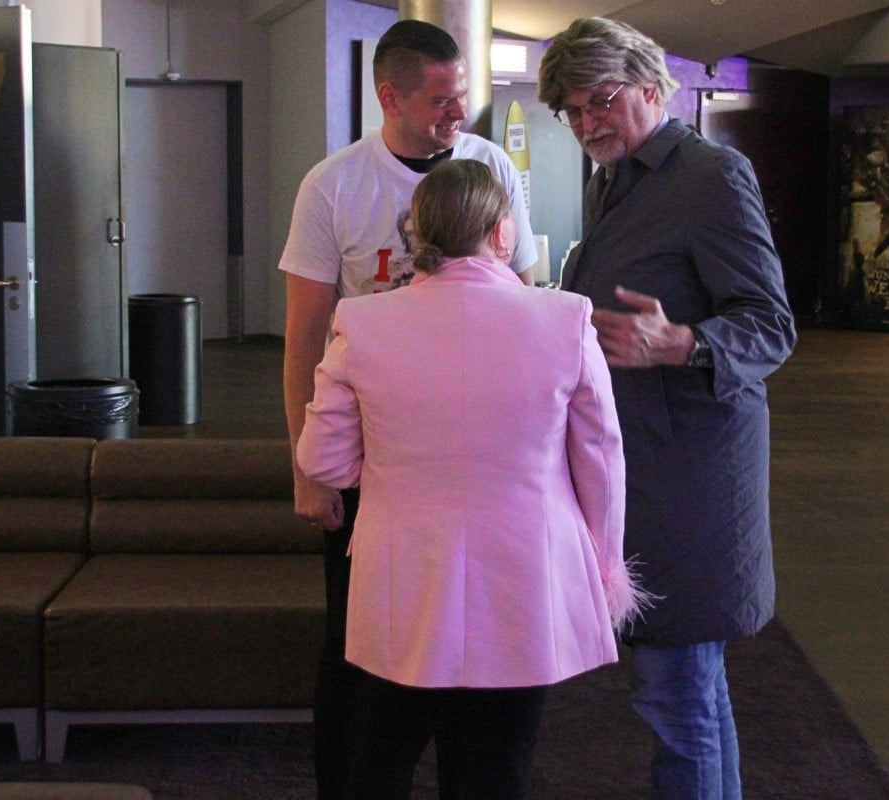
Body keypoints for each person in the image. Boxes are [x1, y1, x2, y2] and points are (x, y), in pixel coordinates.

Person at [296, 158, 645, 800]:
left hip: (400, 582)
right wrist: (603, 563)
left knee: (379, 761)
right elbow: (601, 458)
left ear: (417, 234)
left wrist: (378, 466)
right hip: (523, 581)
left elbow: (322, 459)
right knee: (495, 771)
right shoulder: (566, 320)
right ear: (503, 233)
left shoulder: (362, 322)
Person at [538, 17, 797, 800]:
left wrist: (681, 341)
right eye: (573, 111)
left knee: (675, 686)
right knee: (689, 687)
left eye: (600, 101)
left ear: (651, 89)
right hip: (642, 464)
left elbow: (771, 326)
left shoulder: (712, 175)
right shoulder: (614, 179)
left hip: (692, 474)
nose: (587, 123)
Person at [278, 19, 537, 799]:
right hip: (370, 452)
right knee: (357, 646)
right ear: (390, 98)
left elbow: (523, 303)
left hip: (477, 454)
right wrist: (307, 468)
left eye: (463, 97)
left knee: (478, 642)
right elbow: (304, 338)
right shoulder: (335, 185)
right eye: (440, 101)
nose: (458, 114)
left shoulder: (490, 166)